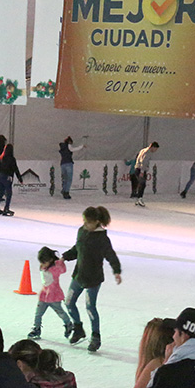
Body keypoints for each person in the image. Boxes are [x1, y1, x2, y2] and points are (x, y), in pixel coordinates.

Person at [61, 207, 122, 352]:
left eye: (88, 222)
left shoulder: (102, 238)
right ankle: (78, 328)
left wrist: (116, 271)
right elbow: (77, 249)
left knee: (90, 307)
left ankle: (96, 336)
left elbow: (110, 255)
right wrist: (64, 257)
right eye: (84, 221)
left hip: (93, 278)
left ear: (96, 222)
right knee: (69, 302)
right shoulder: (81, 231)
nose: (85, 224)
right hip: (78, 275)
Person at [28, 248, 74, 341]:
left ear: (50, 260)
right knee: (38, 313)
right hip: (44, 295)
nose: (42, 264)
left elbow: (63, 270)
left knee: (60, 312)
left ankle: (68, 324)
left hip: (54, 295)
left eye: (44, 262)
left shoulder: (56, 268)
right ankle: (36, 328)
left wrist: (61, 262)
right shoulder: (43, 266)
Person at [0, 143, 22, 217]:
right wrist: (20, 179)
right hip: (7, 177)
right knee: (9, 193)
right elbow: (15, 169)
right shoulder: (12, 159)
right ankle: (6, 208)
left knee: (1, 193)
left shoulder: (3, 158)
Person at [129, 141, 159, 207]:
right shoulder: (147, 153)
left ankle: (138, 198)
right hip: (141, 169)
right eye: (155, 149)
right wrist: (142, 171)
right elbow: (143, 162)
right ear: (153, 147)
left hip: (137, 168)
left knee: (140, 184)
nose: (155, 151)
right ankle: (140, 198)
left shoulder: (143, 150)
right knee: (142, 184)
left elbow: (138, 159)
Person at [57, 136, 87, 200]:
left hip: (62, 164)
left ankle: (64, 190)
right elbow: (73, 149)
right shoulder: (69, 146)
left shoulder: (62, 147)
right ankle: (66, 192)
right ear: (69, 142)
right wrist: (82, 146)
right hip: (68, 163)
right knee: (69, 179)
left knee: (64, 178)